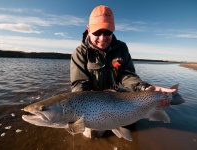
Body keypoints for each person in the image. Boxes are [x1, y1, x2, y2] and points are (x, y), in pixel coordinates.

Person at [70, 5, 174, 138]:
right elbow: (79, 85)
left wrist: (145, 88)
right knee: (92, 136)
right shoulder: (79, 53)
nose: (102, 38)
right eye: (97, 32)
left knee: (135, 120)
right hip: (92, 104)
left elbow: (127, 75)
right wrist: (82, 112)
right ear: (89, 30)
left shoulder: (121, 48)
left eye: (107, 32)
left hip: (116, 98)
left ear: (113, 30)